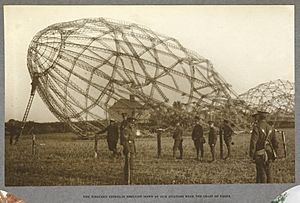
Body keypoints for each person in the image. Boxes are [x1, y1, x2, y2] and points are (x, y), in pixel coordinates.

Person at [249, 111, 279, 183]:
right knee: (269, 172)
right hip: (269, 153)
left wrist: (252, 155)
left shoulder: (256, 127)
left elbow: (253, 143)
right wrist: (275, 153)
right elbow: (276, 143)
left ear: (259, 117)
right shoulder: (271, 128)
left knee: (261, 172)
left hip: (259, 153)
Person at [123, 117, 137, 184]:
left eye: (133, 123)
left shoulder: (132, 130)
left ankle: (131, 179)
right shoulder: (126, 130)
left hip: (132, 148)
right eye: (131, 123)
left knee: (132, 165)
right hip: (128, 149)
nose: (133, 124)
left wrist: (134, 150)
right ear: (128, 123)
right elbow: (125, 141)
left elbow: (133, 140)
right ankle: (128, 180)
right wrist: (128, 150)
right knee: (128, 165)